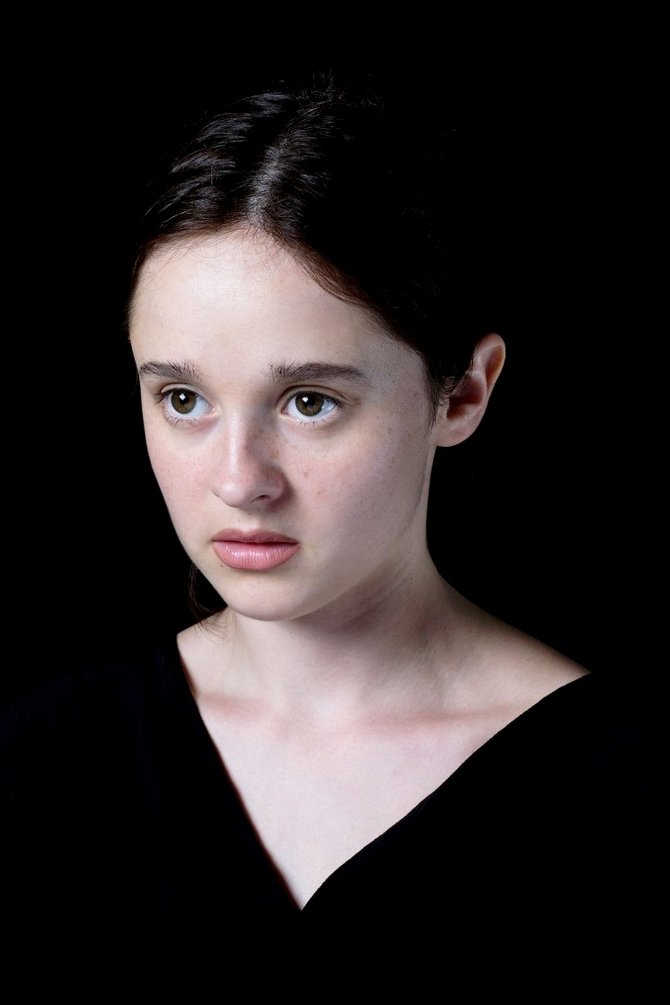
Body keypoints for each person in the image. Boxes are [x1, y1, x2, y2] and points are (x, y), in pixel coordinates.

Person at [2, 76, 658, 998]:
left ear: (463, 393)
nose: (240, 480)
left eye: (309, 402)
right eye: (182, 399)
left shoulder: (626, 793)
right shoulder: (49, 760)